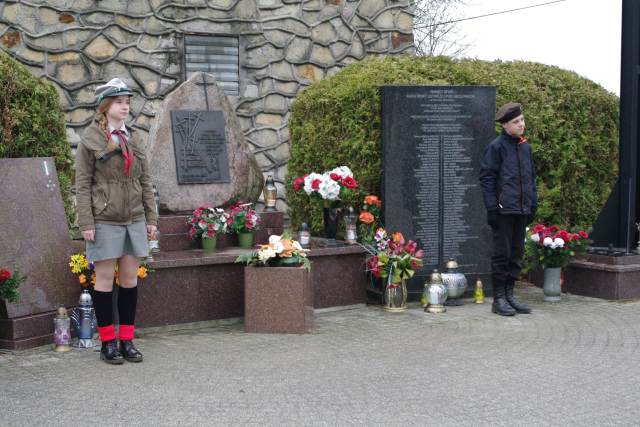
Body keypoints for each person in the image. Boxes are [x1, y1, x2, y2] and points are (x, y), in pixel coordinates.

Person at [75, 78, 158, 363]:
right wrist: (86, 223)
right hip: (105, 220)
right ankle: (108, 344)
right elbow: (82, 185)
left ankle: (127, 341)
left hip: (134, 218)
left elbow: (145, 180)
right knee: (104, 281)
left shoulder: (133, 138)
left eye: (127, 102)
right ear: (105, 106)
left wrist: (151, 217)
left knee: (130, 280)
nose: (125, 107)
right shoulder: (90, 140)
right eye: (119, 102)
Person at [479, 102, 537, 316]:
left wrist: (532, 204)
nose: (521, 124)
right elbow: (487, 178)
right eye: (516, 121)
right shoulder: (496, 147)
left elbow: (531, 178)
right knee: (502, 255)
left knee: (516, 254)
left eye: (522, 119)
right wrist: (492, 208)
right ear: (505, 125)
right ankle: (499, 299)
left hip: (521, 210)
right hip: (504, 211)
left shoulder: (525, 147)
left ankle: (510, 295)